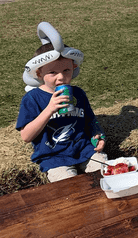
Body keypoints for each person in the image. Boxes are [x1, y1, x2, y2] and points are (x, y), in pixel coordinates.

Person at [16, 34, 108, 182]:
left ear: (74, 67)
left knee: (107, 172)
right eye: (52, 72)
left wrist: (98, 135)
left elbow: (90, 120)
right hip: (53, 157)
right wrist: (49, 109)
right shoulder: (32, 98)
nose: (60, 77)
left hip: (84, 150)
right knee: (70, 187)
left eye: (66, 70)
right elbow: (26, 136)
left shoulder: (78, 93)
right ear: (39, 73)